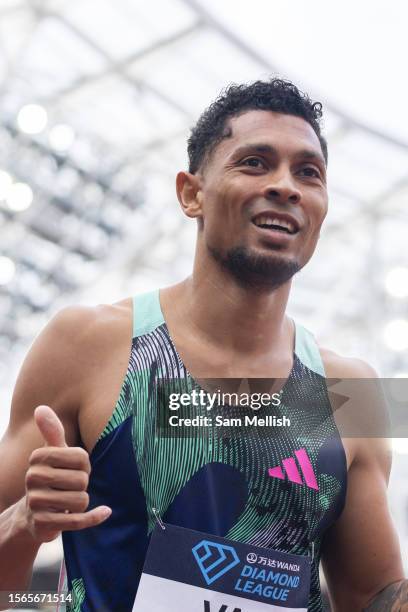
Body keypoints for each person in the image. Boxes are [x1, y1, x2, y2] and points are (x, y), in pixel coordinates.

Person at [0, 79, 405, 612]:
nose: (286, 186)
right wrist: (24, 525)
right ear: (192, 194)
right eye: (255, 163)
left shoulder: (349, 391)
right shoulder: (88, 344)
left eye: (309, 172)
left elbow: (370, 598)